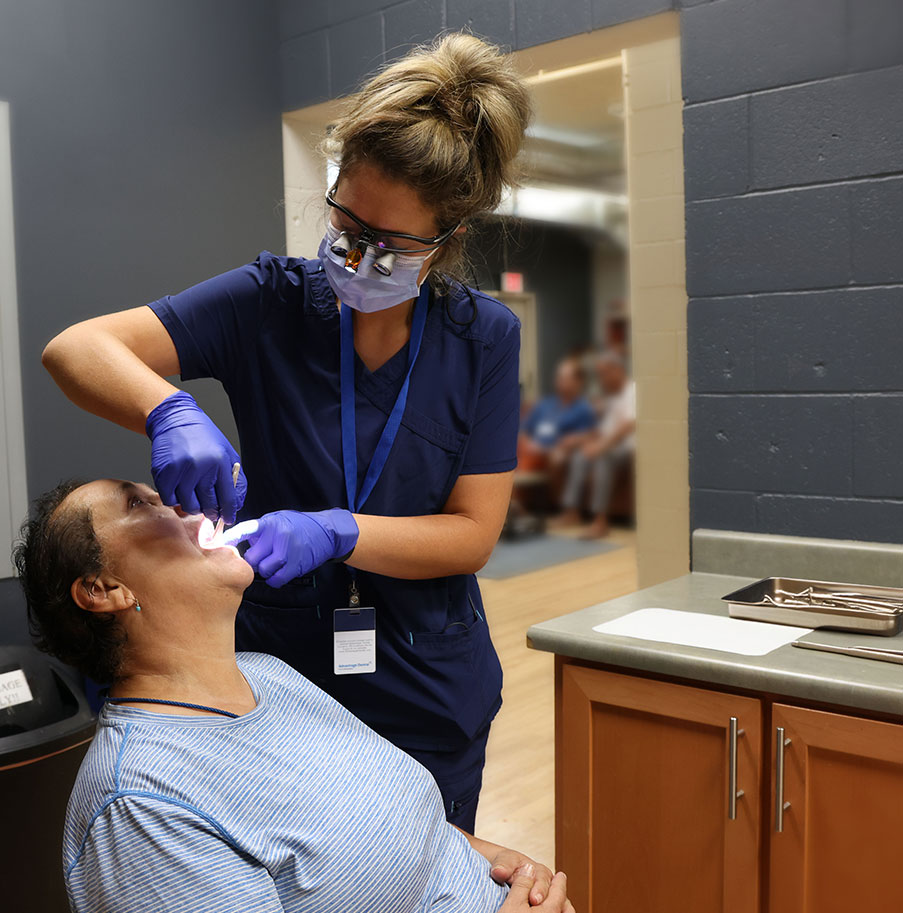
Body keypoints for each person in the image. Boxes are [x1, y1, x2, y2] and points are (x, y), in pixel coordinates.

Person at [41, 34, 532, 831]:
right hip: (284, 677)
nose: (357, 251)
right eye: (346, 216)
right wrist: (167, 409)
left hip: (426, 682)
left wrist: (338, 531)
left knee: (431, 865)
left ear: (445, 242)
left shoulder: (482, 338)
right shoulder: (269, 300)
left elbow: (470, 535)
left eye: (391, 244)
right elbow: (74, 349)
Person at [13, 478, 573, 913]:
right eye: (141, 505)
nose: (183, 502)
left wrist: (493, 858)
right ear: (104, 589)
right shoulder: (140, 808)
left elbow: (399, 822)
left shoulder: (269, 676)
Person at [555, 351, 635, 538]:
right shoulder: (611, 397)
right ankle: (571, 512)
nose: (601, 379)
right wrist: (580, 439)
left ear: (617, 370)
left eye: (604, 373)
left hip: (629, 448)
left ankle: (600, 521)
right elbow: (602, 430)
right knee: (580, 455)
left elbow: (628, 426)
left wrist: (601, 447)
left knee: (602, 457)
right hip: (610, 444)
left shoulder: (633, 390)